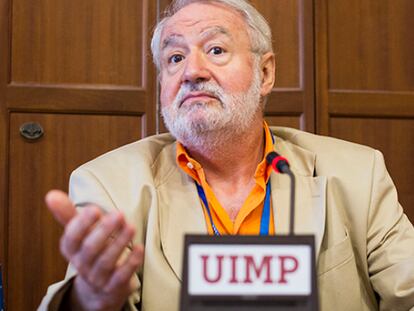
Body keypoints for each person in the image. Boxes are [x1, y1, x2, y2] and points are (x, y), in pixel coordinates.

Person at [39, 0, 414, 310]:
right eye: (174, 58)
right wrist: (91, 300)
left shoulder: (358, 174)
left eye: (215, 50)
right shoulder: (110, 184)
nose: (191, 71)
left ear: (264, 73)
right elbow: (96, 293)